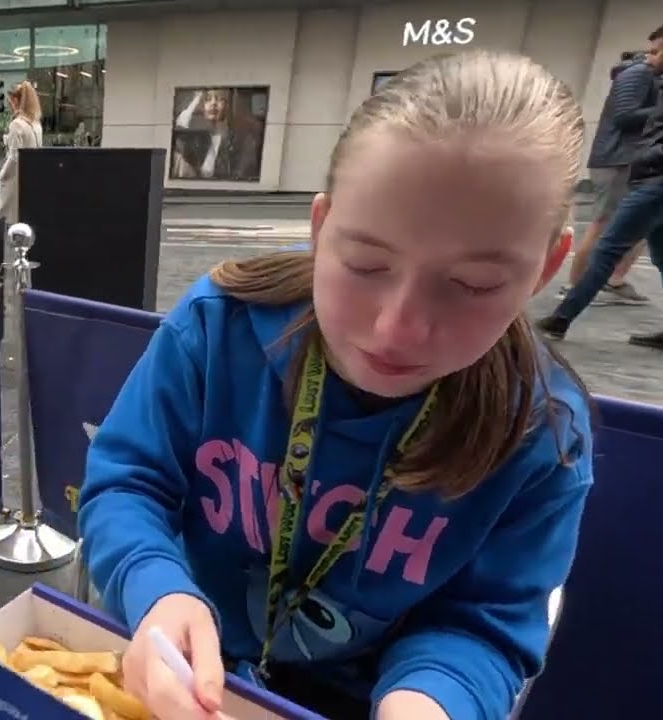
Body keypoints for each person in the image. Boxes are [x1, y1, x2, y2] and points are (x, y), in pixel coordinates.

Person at [79, 50, 593, 720]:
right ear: (320, 229)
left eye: (473, 285)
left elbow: (485, 624)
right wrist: (155, 588)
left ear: (548, 268)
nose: (397, 328)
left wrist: (431, 702)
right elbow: (127, 481)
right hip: (187, 677)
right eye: (365, 263)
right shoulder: (220, 326)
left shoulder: (541, 434)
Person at [538, 25, 663, 349]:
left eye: (657, 51)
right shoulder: (646, 79)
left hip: (653, 180)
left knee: (608, 247)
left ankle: (561, 318)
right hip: (646, 175)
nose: (651, 58)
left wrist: (648, 159)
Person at [558, 43, 661, 305]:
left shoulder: (652, 78)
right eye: (654, 50)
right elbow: (624, 116)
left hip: (636, 162)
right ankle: (575, 286)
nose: (652, 56)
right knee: (605, 226)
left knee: (639, 229)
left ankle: (613, 281)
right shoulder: (638, 74)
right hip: (618, 160)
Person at [0, 81, 43, 225]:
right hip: (31, 177)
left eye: (10, 101)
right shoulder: (36, 124)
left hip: (16, 180)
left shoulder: (17, 124)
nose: (9, 105)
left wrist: (2, 176)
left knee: (9, 221)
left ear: (15, 100)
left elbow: (14, 157)